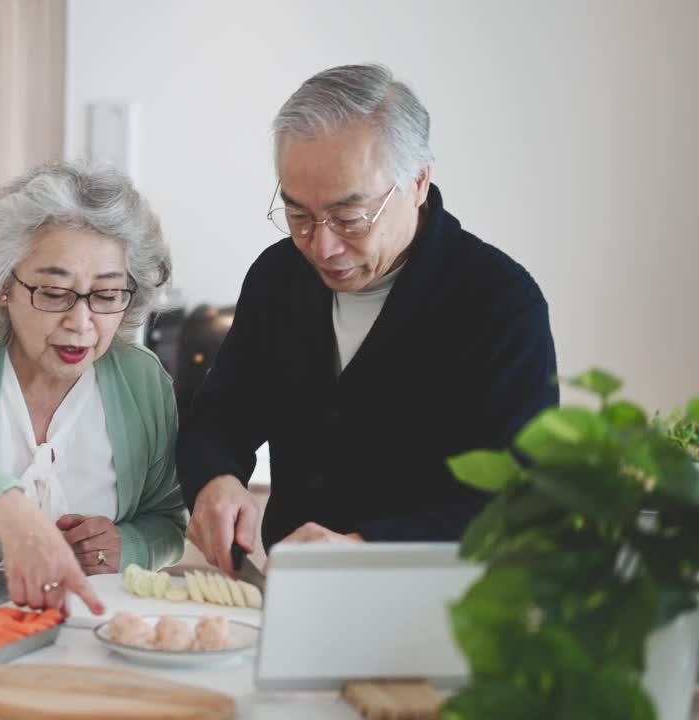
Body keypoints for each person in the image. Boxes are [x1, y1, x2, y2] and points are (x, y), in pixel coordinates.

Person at [178, 64, 558, 576]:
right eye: (298, 215)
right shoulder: (278, 279)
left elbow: (516, 501)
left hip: (435, 601)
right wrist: (216, 480)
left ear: (419, 182)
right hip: (294, 592)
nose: (322, 246)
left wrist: (367, 548)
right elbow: (221, 415)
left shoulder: (500, 305)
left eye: (349, 218)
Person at [0, 161, 185, 612]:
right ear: (5, 286)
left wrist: (129, 546)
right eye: (52, 292)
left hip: (89, 631)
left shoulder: (141, 379)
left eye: (106, 296)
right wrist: (16, 517)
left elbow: (166, 519)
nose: (81, 323)